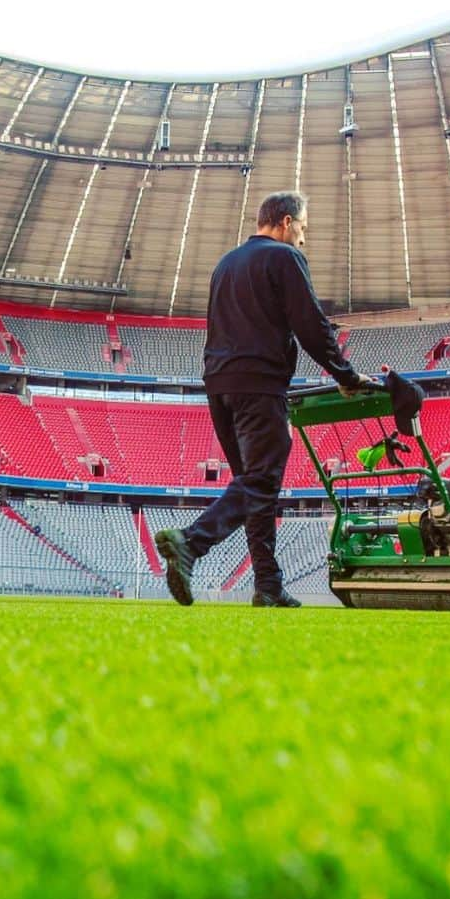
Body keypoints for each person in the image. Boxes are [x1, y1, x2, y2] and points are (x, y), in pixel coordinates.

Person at [154, 191, 369, 607]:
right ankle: (190, 543)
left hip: (219, 387)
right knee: (260, 482)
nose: (303, 239)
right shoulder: (284, 258)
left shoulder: (225, 264)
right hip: (259, 385)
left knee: (255, 490)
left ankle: (268, 586)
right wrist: (344, 374)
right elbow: (310, 324)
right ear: (286, 222)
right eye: (303, 228)